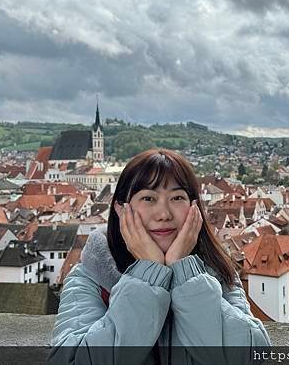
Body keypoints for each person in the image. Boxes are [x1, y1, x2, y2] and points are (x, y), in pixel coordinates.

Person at [49, 149, 271, 364]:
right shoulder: (91, 276)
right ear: (120, 208)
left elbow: (251, 354)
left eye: (176, 197)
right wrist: (148, 275)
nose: (164, 214)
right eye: (148, 198)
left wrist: (184, 271)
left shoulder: (217, 270)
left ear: (194, 207)